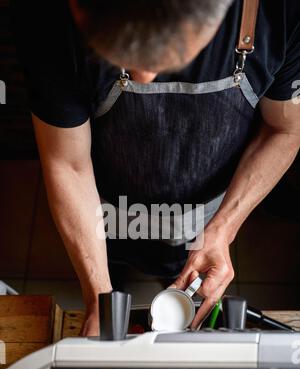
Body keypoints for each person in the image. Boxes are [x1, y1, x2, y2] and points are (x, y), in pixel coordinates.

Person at [12, 0, 300, 335]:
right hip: (103, 215)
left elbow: (285, 129)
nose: (142, 78)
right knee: (111, 285)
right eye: (120, 57)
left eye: (167, 57)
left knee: (182, 278)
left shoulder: (281, 10)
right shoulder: (45, 14)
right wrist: (98, 297)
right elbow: (68, 163)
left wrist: (223, 229)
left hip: (204, 218)